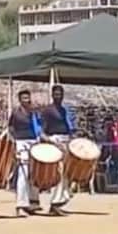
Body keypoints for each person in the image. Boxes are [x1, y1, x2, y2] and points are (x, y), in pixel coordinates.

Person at [39, 84, 76, 214]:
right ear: (52, 95)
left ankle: (61, 199)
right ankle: (54, 203)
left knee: (66, 173)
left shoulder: (64, 110)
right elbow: (42, 131)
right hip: (55, 140)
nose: (58, 97)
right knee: (59, 172)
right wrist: (51, 141)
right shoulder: (48, 111)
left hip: (65, 140)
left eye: (60, 94)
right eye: (56, 94)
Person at [9, 89, 43, 216]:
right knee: (23, 173)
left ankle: (33, 202)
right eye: (24, 98)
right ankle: (21, 204)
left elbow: (39, 127)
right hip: (21, 142)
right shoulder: (16, 113)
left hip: (34, 141)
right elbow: (10, 128)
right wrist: (14, 142)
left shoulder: (34, 112)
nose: (27, 100)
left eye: (28, 98)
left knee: (34, 173)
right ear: (20, 100)